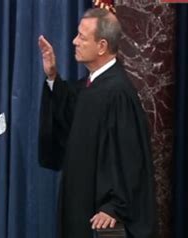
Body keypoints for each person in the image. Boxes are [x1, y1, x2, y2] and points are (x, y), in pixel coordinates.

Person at [38, 8, 157, 238]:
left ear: (102, 46)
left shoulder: (118, 93)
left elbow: (129, 157)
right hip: (79, 205)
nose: (74, 41)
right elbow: (70, 112)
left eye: (82, 37)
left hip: (99, 218)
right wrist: (52, 75)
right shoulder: (92, 84)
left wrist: (113, 205)